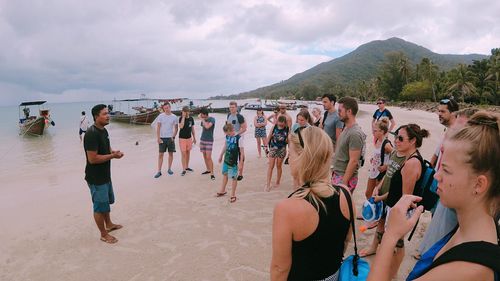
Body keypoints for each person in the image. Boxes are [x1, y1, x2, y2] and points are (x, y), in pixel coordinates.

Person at [368, 111, 500, 281]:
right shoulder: (471, 228)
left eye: (446, 170)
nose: (436, 177)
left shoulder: (467, 271)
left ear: (479, 184)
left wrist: (391, 236)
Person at [270, 126, 354, 281]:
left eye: (292, 152)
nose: (289, 157)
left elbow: (280, 268)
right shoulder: (345, 193)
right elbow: (344, 241)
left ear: (303, 157)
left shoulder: (287, 208)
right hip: (333, 275)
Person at [371, 123, 430, 278]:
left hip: (401, 211)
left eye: (401, 138)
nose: (396, 140)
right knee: (395, 243)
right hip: (395, 208)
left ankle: (392, 274)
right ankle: (391, 273)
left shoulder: (412, 163)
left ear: (412, 141)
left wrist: (398, 220)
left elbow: (406, 198)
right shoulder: (408, 158)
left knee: (397, 243)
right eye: (395, 136)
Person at [415, 98, 459, 258]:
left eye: (442, 111)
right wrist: (431, 167)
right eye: (438, 111)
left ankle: (435, 252)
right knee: (436, 213)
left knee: (443, 219)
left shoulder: (457, 133)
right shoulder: (448, 130)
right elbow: (438, 151)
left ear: (453, 113)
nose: (438, 114)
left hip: (447, 183)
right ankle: (432, 248)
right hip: (437, 179)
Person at [83, 104, 124, 244]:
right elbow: (92, 159)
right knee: (99, 207)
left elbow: (105, 148)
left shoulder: (104, 131)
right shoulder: (91, 134)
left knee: (106, 203)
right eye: (104, 114)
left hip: (105, 175)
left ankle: (109, 224)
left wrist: (113, 152)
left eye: (108, 113)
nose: (108, 116)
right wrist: (112, 157)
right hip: (96, 177)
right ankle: (103, 234)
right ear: (96, 116)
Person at [331, 97, 366, 192]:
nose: (338, 113)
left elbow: (354, 161)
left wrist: (344, 182)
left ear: (349, 111)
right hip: (338, 174)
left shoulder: (355, 133)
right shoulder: (346, 128)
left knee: (340, 206)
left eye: (340, 110)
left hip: (344, 178)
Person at [366, 117, 393, 200]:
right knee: (368, 193)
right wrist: (373, 159)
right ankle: (371, 208)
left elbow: (396, 157)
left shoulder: (386, 144)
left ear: (382, 132)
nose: (373, 132)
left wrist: (386, 166)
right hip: (373, 170)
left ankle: (374, 210)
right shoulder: (377, 140)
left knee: (376, 195)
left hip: (380, 173)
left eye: (375, 131)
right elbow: (379, 154)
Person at [216, 123, 241, 203]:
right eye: (226, 134)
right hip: (226, 159)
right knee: (225, 174)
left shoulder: (238, 138)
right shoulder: (227, 136)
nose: (227, 135)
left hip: (233, 161)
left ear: (231, 130)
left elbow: (241, 152)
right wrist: (221, 155)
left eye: (228, 133)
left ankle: (233, 194)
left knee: (233, 177)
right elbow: (225, 145)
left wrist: (241, 163)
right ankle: (223, 190)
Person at [265, 116, 289, 192]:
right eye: (280, 123)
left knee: (278, 166)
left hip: (282, 149)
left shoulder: (287, 129)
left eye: (282, 123)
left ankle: (278, 182)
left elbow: (289, 140)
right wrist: (266, 147)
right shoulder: (274, 127)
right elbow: (268, 137)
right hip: (273, 148)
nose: (281, 125)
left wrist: (290, 151)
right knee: (271, 166)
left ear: (285, 123)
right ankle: (268, 184)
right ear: (277, 122)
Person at [154, 103, 178, 178]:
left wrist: (173, 136)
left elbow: (176, 128)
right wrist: (158, 138)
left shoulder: (174, 117)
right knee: (161, 154)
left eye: (168, 107)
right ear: (163, 109)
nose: (166, 109)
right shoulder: (161, 116)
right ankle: (159, 171)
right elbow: (158, 128)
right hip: (162, 138)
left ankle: (169, 169)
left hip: (170, 138)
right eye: (165, 108)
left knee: (171, 154)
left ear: (170, 107)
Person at [226, 101, 247, 181]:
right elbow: (227, 126)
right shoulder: (228, 115)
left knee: (240, 155)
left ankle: (240, 173)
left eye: (233, 107)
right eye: (230, 107)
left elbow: (244, 128)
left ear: (236, 107)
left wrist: (236, 134)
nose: (231, 109)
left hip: (239, 137)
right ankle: (232, 172)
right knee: (231, 155)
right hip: (230, 138)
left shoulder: (239, 117)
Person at [178, 106, 196, 176]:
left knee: (188, 152)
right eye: (184, 111)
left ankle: (187, 167)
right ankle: (183, 169)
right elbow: (181, 126)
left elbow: (192, 129)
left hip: (189, 138)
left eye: (187, 111)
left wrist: (194, 138)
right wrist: (183, 117)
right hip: (182, 138)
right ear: (182, 112)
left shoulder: (191, 119)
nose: (186, 113)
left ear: (189, 111)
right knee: (183, 154)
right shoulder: (180, 118)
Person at [199, 108, 216, 180]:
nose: (200, 115)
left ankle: (212, 173)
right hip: (202, 139)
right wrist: (202, 120)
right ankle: (208, 169)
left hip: (209, 140)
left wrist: (202, 119)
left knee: (209, 157)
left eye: (201, 114)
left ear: (205, 114)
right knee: (204, 156)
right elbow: (203, 127)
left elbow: (207, 126)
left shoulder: (212, 119)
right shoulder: (203, 120)